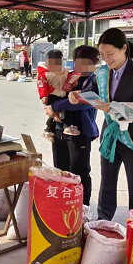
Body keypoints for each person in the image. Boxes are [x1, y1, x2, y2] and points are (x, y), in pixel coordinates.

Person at [69, 29, 133, 221]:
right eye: (102, 55)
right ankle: (103, 221)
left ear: (124, 48)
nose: (106, 59)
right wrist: (76, 96)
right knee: (107, 182)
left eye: (110, 54)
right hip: (110, 135)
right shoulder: (102, 73)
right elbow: (91, 94)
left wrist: (115, 108)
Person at [45, 45, 100, 206]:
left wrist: (55, 106)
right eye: (78, 63)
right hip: (59, 129)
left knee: (79, 171)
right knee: (60, 170)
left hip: (80, 133)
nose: (82, 67)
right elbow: (53, 93)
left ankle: (83, 207)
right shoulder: (68, 77)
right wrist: (49, 105)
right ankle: (63, 204)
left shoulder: (94, 81)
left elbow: (82, 103)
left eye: (87, 63)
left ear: (95, 63)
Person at [37, 50, 80, 142]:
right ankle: (51, 129)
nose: (55, 66)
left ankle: (63, 127)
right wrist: (44, 96)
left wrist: (74, 83)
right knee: (54, 112)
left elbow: (70, 81)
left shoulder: (65, 72)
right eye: (52, 64)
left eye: (58, 63)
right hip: (52, 96)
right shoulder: (44, 74)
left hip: (63, 94)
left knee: (63, 110)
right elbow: (42, 86)